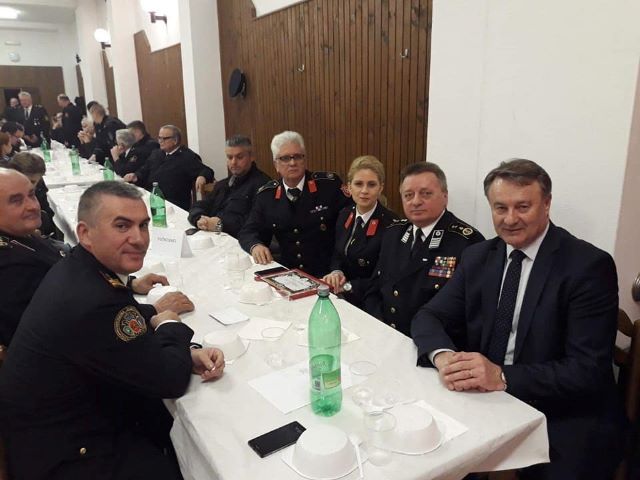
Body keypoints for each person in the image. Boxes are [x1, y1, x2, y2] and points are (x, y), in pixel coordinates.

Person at [412, 159, 626, 479]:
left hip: (562, 410)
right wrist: (445, 358)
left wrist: (501, 376)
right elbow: (429, 316)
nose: (510, 219)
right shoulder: (478, 256)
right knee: (425, 449)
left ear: (547, 204)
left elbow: (587, 371)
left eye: (523, 207)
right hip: (487, 399)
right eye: (500, 208)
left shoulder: (587, 266)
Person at [0, 181, 225, 480]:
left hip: (56, 425)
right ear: (85, 234)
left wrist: (184, 351)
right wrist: (170, 323)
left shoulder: (82, 269)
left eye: (143, 225)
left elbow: (118, 330)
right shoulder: (92, 298)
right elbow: (168, 380)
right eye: (122, 226)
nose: (139, 239)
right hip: (69, 454)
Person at [363, 162, 484, 336]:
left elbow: (469, 315)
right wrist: (380, 327)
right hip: (386, 334)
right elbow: (375, 288)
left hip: (432, 344)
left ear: (445, 196)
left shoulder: (467, 243)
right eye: (408, 195)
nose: (416, 201)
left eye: (426, 194)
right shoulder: (393, 233)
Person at [238, 131, 351, 277]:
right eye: (285, 158)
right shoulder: (267, 195)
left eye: (297, 156)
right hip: (288, 274)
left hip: (327, 274)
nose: (292, 163)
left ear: (304, 160)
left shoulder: (328, 186)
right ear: (276, 165)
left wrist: (338, 268)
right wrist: (256, 246)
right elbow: (248, 231)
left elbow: (350, 227)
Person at [0, 168, 67, 347]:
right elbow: (52, 332)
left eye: (31, 195)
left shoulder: (19, 234)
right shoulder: (12, 267)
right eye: (16, 201)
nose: (33, 206)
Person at [322, 155, 398, 307]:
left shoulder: (392, 225)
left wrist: (348, 286)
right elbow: (337, 254)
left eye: (371, 185)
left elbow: (384, 277)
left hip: (371, 302)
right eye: (358, 184)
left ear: (380, 188)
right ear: (349, 187)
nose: (364, 191)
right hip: (341, 296)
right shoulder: (344, 214)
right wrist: (336, 272)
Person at [188, 135, 271, 237]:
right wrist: (198, 218)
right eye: (230, 157)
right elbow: (201, 205)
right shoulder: (223, 184)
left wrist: (220, 224)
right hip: (215, 237)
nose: (233, 162)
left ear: (251, 157)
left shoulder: (264, 185)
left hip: (244, 242)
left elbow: (257, 223)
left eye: (239, 157)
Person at [124, 125, 214, 210]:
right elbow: (144, 170)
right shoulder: (156, 153)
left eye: (164, 138)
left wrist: (202, 176)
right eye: (159, 138)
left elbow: (207, 170)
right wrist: (135, 176)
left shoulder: (187, 157)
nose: (160, 141)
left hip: (174, 203)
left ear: (175, 140)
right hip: (152, 198)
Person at [6, 152, 61, 239]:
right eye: (26, 180)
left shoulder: (39, 186)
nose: (29, 185)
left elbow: (47, 210)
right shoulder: (5, 193)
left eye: (33, 182)